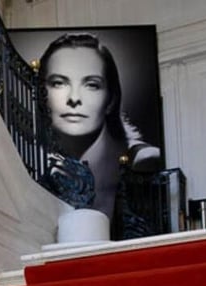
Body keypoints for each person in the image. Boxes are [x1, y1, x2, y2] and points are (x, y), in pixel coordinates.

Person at [38, 32, 162, 226]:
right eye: (58, 83)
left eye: (91, 85)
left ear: (111, 100)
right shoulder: (29, 162)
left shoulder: (141, 157)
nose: (74, 98)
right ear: (41, 95)